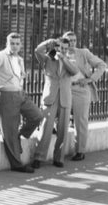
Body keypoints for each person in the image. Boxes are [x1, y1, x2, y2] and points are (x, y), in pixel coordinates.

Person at [0, 32, 43, 173]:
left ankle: (20, 134)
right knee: (9, 130)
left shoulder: (19, 59)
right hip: (6, 95)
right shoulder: (0, 56)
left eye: (17, 43)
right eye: (12, 43)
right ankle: (16, 164)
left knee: (37, 116)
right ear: (7, 43)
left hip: (20, 94)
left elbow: (19, 75)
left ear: (20, 45)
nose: (15, 46)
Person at [32, 37, 78, 168]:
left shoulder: (71, 61)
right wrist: (48, 42)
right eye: (59, 47)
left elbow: (74, 72)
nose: (62, 50)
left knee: (63, 130)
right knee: (46, 128)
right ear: (56, 47)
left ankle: (59, 158)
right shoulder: (47, 59)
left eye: (64, 48)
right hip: (50, 99)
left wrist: (63, 58)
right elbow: (37, 50)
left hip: (65, 99)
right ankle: (39, 157)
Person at [63, 31, 107, 160]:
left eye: (74, 40)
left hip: (80, 89)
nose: (72, 42)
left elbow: (102, 65)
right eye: (69, 40)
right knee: (58, 114)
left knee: (81, 121)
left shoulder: (83, 53)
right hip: (64, 89)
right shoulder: (60, 52)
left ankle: (80, 151)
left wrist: (90, 79)